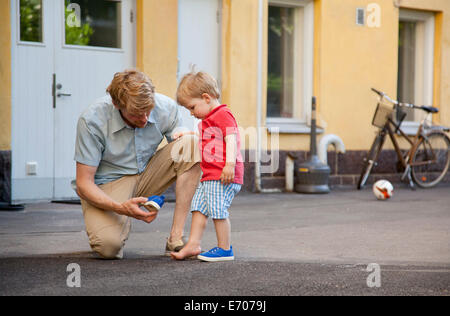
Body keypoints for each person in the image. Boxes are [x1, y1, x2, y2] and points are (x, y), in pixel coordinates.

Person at [74, 69, 201, 259]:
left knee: (192, 144)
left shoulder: (165, 107)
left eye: (147, 111)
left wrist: (183, 132)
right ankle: (115, 223)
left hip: (148, 173)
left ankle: (176, 238)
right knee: (108, 248)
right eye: (135, 114)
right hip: (110, 183)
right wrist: (120, 208)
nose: (144, 119)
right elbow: (84, 183)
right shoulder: (92, 121)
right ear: (116, 104)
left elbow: (182, 144)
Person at [171, 71, 244, 262]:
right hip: (209, 176)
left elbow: (231, 139)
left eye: (192, 107)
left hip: (221, 174)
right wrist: (188, 134)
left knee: (217, 210)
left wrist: (229, 165)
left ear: (206, 98)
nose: (191, 113)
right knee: (199, 208)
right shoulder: (207, 121)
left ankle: (224, 248)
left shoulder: (222, 114)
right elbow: (209, 141)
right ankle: (194, 244)